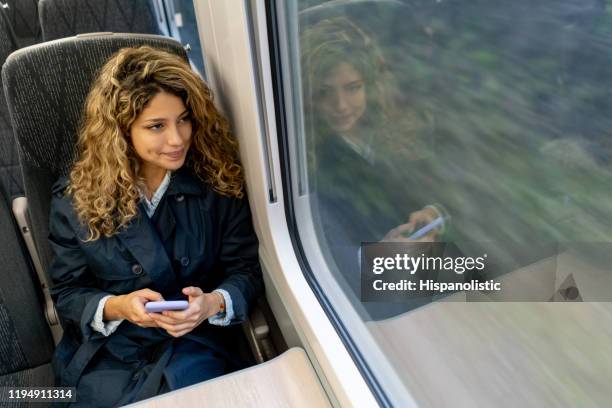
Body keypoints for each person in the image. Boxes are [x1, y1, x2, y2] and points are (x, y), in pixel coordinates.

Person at [48, 46, 263, 406]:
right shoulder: (76, 197)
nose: (177, 138)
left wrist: (212, 303)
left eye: (183, 119)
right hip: (109, 355)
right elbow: (68, 294)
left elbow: (246, 269)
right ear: (121, 131)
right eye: (156, 126)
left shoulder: (218, 182)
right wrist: (119, 306)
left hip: (194, 346)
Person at [300, 17, 449, 318]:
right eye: (325, 93)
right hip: (371, 303)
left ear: (370, 85)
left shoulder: (394, 134)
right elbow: (323, 255)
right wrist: (375, 257)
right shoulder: (308, 163)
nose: (341, 105)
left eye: (353, 88)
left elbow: (436, 189)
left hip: (427, 273)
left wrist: (433, 214)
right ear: (308, 97)